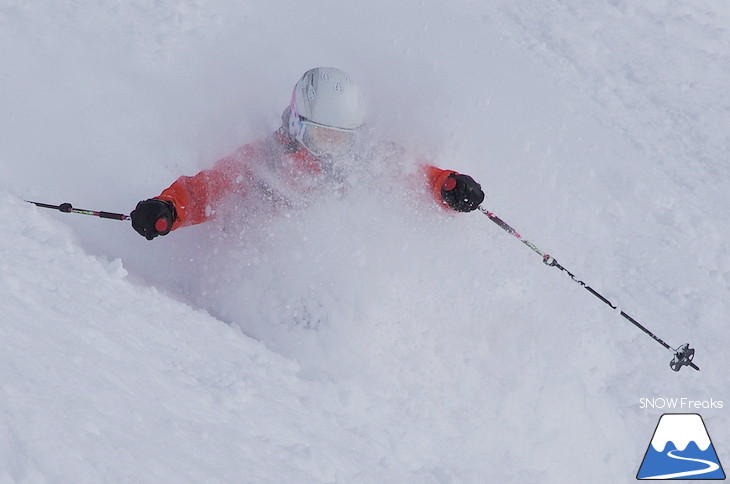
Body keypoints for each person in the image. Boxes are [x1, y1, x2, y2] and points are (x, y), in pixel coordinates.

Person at [131, 67, 484, 240]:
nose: (330, 149)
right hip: (267, 266)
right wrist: (168, 208)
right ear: (296, 123)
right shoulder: (263, 159)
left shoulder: (368, 158)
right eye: (319, 136)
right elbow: (203, 191)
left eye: (341, 140)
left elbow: (415, 177)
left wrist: (449, 188)